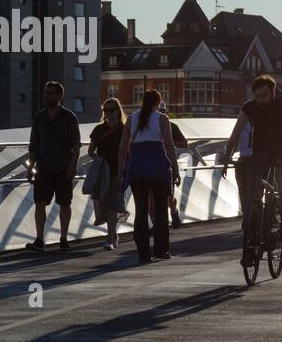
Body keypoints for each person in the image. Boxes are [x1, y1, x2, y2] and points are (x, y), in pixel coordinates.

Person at [219, 74, 282, 268]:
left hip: (280, 154)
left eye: (264, 95)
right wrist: (227, 158)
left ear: (272, 92)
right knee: (254, 199)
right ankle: (251, 245)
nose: (260, 100)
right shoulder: (249, 107)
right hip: (259, 154)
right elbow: (236, 132)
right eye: (257, 96)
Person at [117, 88, 181, 264]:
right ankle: (161, 250)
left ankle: (143, 253)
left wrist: (121, 169)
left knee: (141, 210)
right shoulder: (162, 119)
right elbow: (169, 145)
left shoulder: (131, 119)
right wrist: (175, 168)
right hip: (158, 165)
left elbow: (123, 147)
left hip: (137, 165)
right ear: (158, 102)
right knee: (160, 210)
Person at [26, 81, 82, 251]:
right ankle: (39, 240)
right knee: (39, 202)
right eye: (45, 93)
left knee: (65, 203)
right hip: (43, 167)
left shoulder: (69, 117)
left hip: (63, 167)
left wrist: (73, 166)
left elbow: (76, 145)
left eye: (50, 93)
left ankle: (63, 239)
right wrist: (31, 167)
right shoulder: (39, 117)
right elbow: (34, 144)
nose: (46, 96)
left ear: (59, 96)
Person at [87, 97, 126, 249]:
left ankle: (110, 238)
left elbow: (129, 149)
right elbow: (91, 151)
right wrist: (99, 161)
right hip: (103, 172)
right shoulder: (98, 130)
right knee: (102, 203)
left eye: (111, 110)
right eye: (105, 110)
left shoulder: (124, 129)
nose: (108, 113)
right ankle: (113, 235)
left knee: (112, 204)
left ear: (118, 111)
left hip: (118, 170)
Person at [161, 102, 188, 229]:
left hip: (167, 165)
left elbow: (184, 143)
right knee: (152, 199)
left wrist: (169, 142)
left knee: (169, 197)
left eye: (162, 112)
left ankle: (173, 211)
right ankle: (155, 224)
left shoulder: (172, 126)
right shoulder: (147, 127)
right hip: (153, 165)